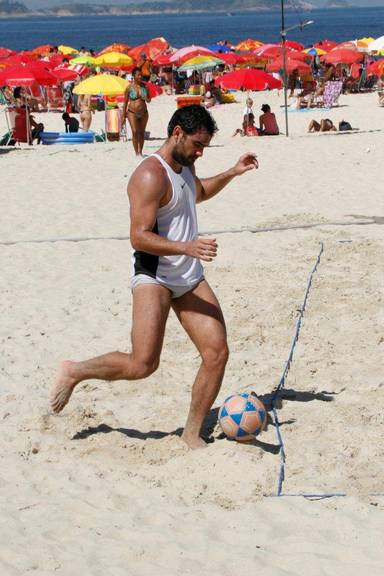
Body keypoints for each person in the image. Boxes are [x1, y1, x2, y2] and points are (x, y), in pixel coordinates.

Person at [50, 105, 259, 449]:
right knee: (142, 364)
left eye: (204, 146)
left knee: (217, 353)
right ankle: (75, 371)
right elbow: (139, 236)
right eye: (196, 144)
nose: (199, 152)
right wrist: (187, 247)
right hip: (155, 276)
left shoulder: (185, 166)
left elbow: (198, 192)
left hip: (188, 276)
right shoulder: (150, 174)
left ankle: (191, 433)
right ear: (176, 132)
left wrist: (233, 172)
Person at [122, 67, 151, 156]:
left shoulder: (145, 86)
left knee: (141, 132)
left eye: (141, 75)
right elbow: (125, 102)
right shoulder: (129, 88)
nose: (140, 76)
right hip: (132, 112)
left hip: (144, 112)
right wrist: (123, 116)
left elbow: (149, 100)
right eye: (138, 75)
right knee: (135, 132)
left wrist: (146, 98)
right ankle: (136, 152)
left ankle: (140, 151)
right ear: (133, 76)